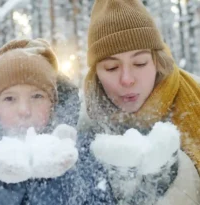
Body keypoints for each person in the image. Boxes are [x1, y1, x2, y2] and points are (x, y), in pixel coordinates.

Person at [0, 39, 116, 205]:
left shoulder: (78, 148)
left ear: (53, 104)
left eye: (37, 96)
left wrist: (61, 175)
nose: (24, 110)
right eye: (10, 99)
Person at [79, 0, 200, 204]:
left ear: (157, 62)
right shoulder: (81, 130)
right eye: (111, 67)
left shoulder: (195, 98)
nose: (127, 79)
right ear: (96, 74)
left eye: (139, 63)